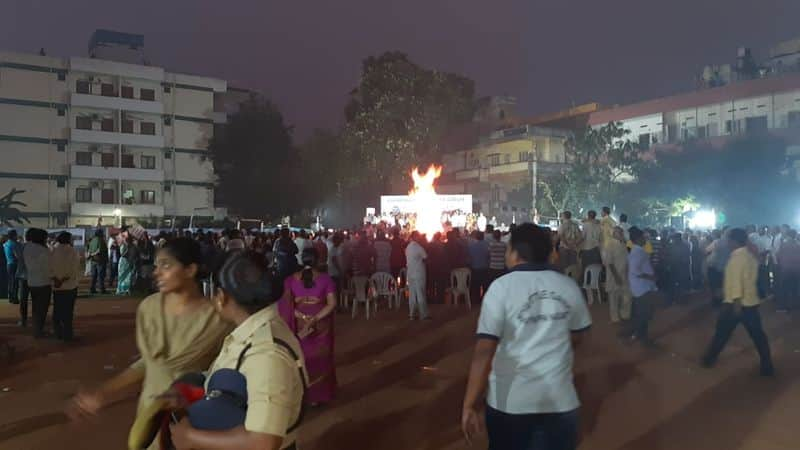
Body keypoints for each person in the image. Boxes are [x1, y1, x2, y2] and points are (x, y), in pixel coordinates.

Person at [69, 238, 232, 447]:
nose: (156, 272)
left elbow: (226, 374)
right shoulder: (149, 308)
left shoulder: (217, 318)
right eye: (156, 266)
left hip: (192, 420)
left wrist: (193, 394)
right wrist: (103, 392)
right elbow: (149, 364)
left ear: (190, 270)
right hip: (150, 412)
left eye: (166, 265)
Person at [462, 223, 591, 450]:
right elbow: (579, 336)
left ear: (514, 252)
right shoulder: (568, 286)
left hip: (511, 404)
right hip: (559, 402)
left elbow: (484, 350)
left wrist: (469, 404)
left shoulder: (500, 288)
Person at [168, 251, 308, 450]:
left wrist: (190, 437)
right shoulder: (253, 333)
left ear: (221, 297)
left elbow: (263, 442)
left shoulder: (266, 354)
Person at [702, 228, 774, 376]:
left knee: (721, 334)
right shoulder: (750, 256)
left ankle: (708, 359)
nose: (727, 242)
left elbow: (736, 284)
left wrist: (735, 305)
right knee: (758, 336)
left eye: (729, 239)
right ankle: (767, 366)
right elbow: (749, 279)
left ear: (734, 241)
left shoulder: (736, 259)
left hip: (736, 304)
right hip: (750, 302)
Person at [279, 248, 337, 405]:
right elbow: (332, 304)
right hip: (321, 326)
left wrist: (304, 317)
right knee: (321, 359)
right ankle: (319, 396)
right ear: (318, 261)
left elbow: (286, 307)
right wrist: (315, 318)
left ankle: (302, 394)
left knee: (302, 359)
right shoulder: (326, 280)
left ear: (301, 260)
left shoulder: (290, 280)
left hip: (300, 326)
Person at [625, 227, 659, 346]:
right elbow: (635, 270)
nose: (645, 238)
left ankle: (640, 335)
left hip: (640, 287)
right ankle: (640, 336)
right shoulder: (638, 252)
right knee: (643, 313)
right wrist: (650, 277)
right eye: (643, 237)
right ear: (638, 239)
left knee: (642, 312)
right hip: (642, 287)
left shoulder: (636, 250)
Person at [51, 231, 81, 341]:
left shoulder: (52, 250)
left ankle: (58, 332)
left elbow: (49, 268)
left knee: (57, 310)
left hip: (56, 286)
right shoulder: (73, 251)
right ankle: (67, 334)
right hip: (70, 286)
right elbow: (74, 270)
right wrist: (63, 279)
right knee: (68, 312)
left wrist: (56, 280)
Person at [24, 228, 52, 338]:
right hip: (43, 283)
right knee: (42, 308)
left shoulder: (27, 248)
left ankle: (37, 329)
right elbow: (48, 268)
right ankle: (38, 331)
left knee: (35, 308)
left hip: (32, 282)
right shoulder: (43, 250)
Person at [603, 227, 631, 323]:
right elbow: (609, 262)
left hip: (624, 274)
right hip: (614, 275)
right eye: (619, 232)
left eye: (621, 232)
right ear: (614, 234)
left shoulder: (624, 243)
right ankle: (614, 317)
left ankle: (625, 314)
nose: (621, 234)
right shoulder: (610, 244)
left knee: (626, 296)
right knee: (613, 298)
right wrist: (616, 276)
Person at [405, 231, 429, 320]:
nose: (419, 238)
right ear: (415, 237)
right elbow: (426, 257)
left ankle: (411, 314)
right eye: (418, 236)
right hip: (419, 274)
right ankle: (423, 315)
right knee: (420, 294)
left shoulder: (408, 247)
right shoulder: (418, 247)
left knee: (412, 295)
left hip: (410, 274)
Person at [775, 229, 800, 312]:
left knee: (784, 289)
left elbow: (778, 256)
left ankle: (783, 307)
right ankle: (796, 307)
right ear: (795, 235)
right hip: (797, 270)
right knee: (795, 289)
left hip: (785, 270)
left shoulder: (783, 245)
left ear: (788, 235)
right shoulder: (798, 245)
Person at [666, 233, 691, 306]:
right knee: (676, 285)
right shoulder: (684, 246)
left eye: (674, 238)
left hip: (679, 268)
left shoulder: (674, 246)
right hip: (677, 268)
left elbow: (686, 258)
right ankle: (677, 300)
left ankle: (677, 300)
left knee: (677, 285)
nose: (674, 240)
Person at [468, 231, 490, 302]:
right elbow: (489, 256)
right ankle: (484, 300)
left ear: (476, 237)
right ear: (483, 237)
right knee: (485, 286)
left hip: (475, 268)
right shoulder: (487, 245)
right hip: (485, 268)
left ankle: (475, 300)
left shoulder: (472, 245)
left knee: (475, 286)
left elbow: (469, 257)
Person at [88, 229, 109, 295]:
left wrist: (92, 255)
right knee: (100, 275)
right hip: (100, 260)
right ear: (100, 234)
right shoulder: (101, 240)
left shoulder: (92, 241)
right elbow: (100, 250)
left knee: (94, 275)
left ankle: (92, 288)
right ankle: (101, 289)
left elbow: (89, 251)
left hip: (93, 261)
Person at [4, 229, 20, 303]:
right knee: (15, 282)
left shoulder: (6, 243)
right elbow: (17, 256)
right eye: (16, 235)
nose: (17, 236)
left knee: (10, 282)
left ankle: (10, 298)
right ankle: (15, 298)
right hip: (14, 264)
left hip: (8, 264)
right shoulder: (13, 244)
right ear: (13, 236)